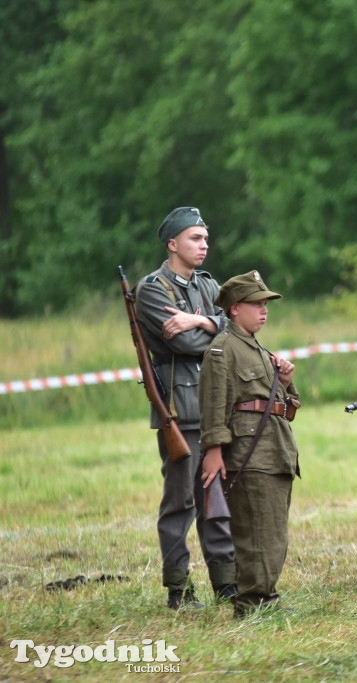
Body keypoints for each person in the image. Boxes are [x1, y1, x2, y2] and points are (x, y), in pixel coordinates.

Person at [134, 207, 235, 610]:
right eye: (196, 238)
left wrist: (204, 323)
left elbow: (236, 327)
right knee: (181, 502)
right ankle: (179, 589)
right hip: (180, 407)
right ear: (172, 243)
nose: (204, 244)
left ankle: (226, 584)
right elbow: (183, 346)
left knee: (218, 499)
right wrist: (212, 328)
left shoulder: (209, 286)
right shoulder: (153, 289)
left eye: (206, 238)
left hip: (217, 404)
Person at [199, 270, 300, 619]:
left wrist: (286, 381)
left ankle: (264, 595)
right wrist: (213, 452)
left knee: (272, 534)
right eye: (256, 304)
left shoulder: (257, 349)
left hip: (275, 450)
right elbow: (214, 404)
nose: (264, 310)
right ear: (235, 309)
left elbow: (284, 409)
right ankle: (253, 604)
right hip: (249, 454)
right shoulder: (222, 350)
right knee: (256, 532)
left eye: (266, 304)